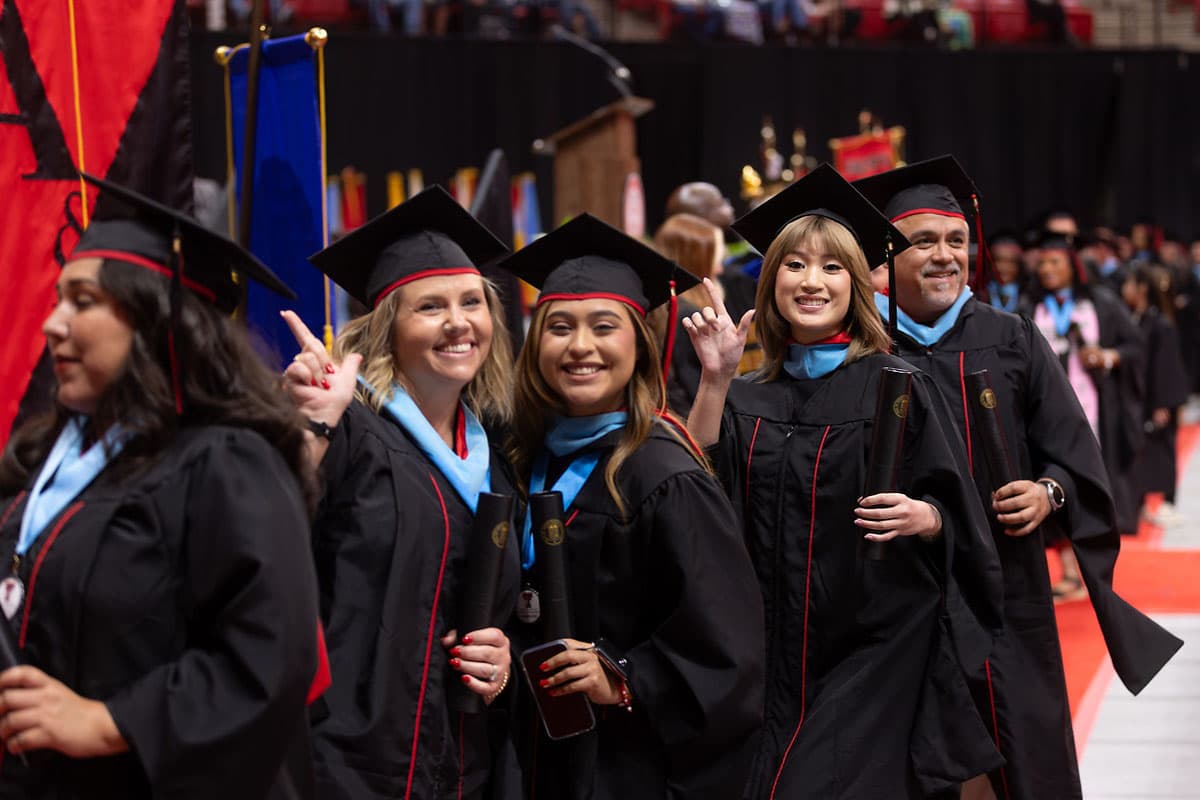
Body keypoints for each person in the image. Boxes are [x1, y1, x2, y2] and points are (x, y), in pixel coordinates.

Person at [854, 156, 1181, 800]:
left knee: (1026, 759)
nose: (945, 256)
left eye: (956, 241)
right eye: (923, 242)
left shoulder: (1010, 338)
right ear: (887, 255)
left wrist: (1048, 491)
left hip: (1007, 589)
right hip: (900, 593)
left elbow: (1075, 453)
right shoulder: (868, 349)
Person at [685, 164, 1004, 798]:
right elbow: (694, 497)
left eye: (832, 267)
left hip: (870, 650)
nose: (811, 281)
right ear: (771, 279)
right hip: (766, 651)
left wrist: (927, 516)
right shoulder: (747, 395)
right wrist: (715, 380)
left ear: (856, 285)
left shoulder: (894, 385)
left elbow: (960, 510)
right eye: (794, 265)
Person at [0, 175, 321, 798]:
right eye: (58, 298)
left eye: (82, 300)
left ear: (155, 321)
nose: (51, 324)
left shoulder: (225, 465)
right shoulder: (44, 463)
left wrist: (110, 721)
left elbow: (269, 656)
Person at [497, 213, 765, 799]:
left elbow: (729, 650)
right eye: (559, 326)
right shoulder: (515, 456)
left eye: (604, 326)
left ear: (640, 345)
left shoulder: (664, 475)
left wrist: (622, 676)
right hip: (523, 759)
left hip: (623, 767)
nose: (580, 346)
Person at [286, 186, 521, 799]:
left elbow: (505, 608)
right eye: (430, 307)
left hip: (463, 767)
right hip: (344, 764)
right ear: (388, 329)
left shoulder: (496, 453)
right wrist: (310, 429)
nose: (459, 323)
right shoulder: (354, 433)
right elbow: (268, 544)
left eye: (473, 302)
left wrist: (502, 663)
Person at [1122, 264, 1189, 526]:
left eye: (1129, 283)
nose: (1125, 289)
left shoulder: (1162, 324)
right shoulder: (1137, 318)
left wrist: (1162, 404)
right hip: (1140, 398)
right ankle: (1142, 502)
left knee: (1162, 450)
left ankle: (1165, 502)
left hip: (1157, 399)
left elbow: (1166, 366)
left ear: (1142, 288)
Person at [651, 212, 725, 415]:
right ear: (694, 262)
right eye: (714, 261)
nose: (720, 270)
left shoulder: (661, 307)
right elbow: (693, 391)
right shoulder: (689, 318)